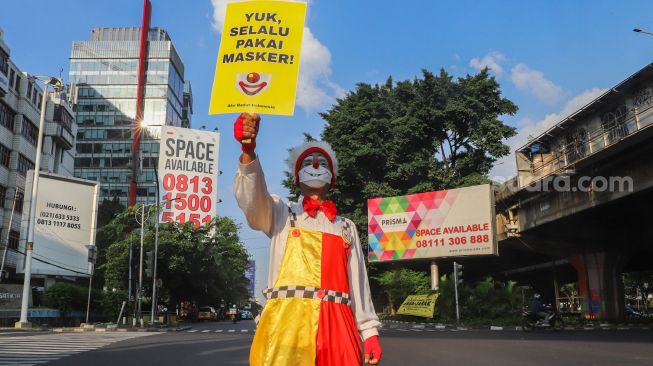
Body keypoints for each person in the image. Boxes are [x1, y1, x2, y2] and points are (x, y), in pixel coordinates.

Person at [233, 113, 382, 365]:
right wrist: (248, 153)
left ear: (332, 178)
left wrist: (369, 332)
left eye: (321, 162)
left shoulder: (346, 226)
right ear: (296, 177)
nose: (315, 165)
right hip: (287, 326)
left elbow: (358, 283)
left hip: (338, 325)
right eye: (308, 162)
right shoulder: (281, 212)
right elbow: (253, 203)